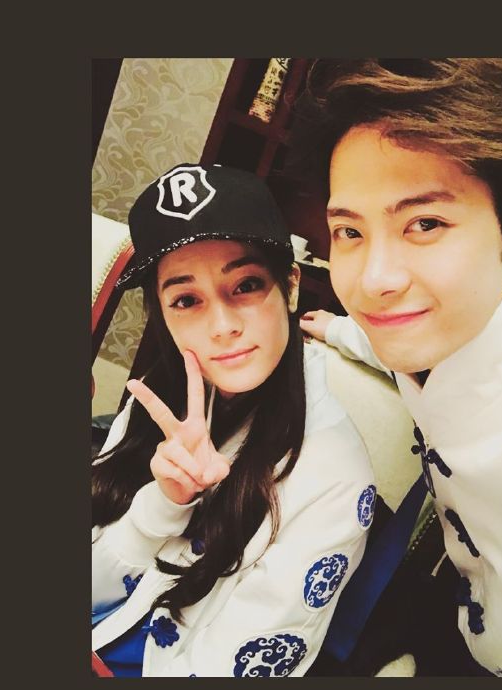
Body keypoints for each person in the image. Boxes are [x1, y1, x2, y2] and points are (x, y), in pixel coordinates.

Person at [291, 59, 502, 677]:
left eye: (425, 224)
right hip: (461, 591)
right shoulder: (455, 306)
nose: (374, 281)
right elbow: (410, 348)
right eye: (349, 231)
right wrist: (339, 330)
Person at [91, 163, 375, 677]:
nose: (222, 327)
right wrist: (162, 505)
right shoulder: (160, 397)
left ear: (290, 287)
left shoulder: (332, 477)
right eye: (186, 300)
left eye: (245, 285)